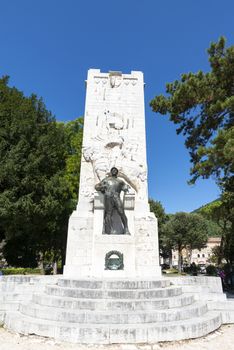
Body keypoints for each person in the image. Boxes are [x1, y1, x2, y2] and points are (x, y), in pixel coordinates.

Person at [95, 167, 130, 235]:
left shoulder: (120, 181)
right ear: (111, 172)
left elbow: (125, 187)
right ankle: (108, 231)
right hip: (108, 197)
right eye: (112, 170)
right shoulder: (106, 180)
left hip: (116, 197)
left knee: (122, 212)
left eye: (115, 170)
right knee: (108, 214)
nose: (114, 171)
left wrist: (126, 188)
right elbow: (96, 186)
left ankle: (126, 228)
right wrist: (101, 187)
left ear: (117, 172)